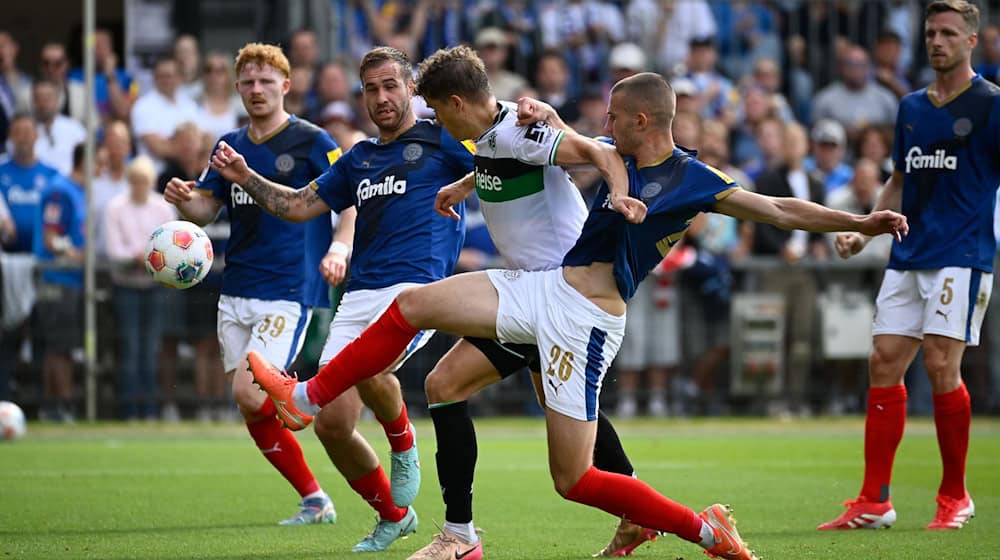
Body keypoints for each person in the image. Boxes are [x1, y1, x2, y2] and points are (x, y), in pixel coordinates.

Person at [248, 71, 907, 560]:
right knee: (417, 316)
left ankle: (705, 531)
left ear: (644, 122)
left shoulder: (690, 179)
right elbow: (560, 145)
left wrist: (864, 221)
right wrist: (499, 154)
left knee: (575, 479)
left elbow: (781, 210)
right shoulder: (614, 150)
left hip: (584, 319)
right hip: (547, 290)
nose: (607, 125)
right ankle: (315, 400)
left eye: (616, 116)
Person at [210, 45, 651, 558]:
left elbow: (552, 143)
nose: (381, 98)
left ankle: (400, 456)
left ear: (421, 95)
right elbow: (303, 204)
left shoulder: (457, 132)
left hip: (510, 293)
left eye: (392, 86)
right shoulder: (366, 157)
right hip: (499, 295)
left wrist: (588, 160)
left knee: (396, 347)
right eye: (370, 89)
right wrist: (246, 178)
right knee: (442, 395)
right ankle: (426, 524)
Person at [821, 0, 1000, 531]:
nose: (936, 41)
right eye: (930, 33)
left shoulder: (991, 106)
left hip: (962, 255)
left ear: (972, 41)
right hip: (907, 251)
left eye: (948, 33)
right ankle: (875, 500)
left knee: (942, 367)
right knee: (883, 361)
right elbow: (900, 179)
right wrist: (864, 227)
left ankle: (955, 496)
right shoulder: (911, 108)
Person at [162, 42, 348, 525]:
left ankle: (314, 399)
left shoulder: (313, 141)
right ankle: (314, 498)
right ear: (237, 87)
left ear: (286, 85)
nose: (257, 89)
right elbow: (207, 207)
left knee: (251, 395)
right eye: (248, 82)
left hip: (288, 288)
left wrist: (338, 248)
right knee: (253, 408)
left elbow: (347, 204)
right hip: (236, 288)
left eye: (267, 81)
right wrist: (185, 199)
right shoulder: (229, 144)